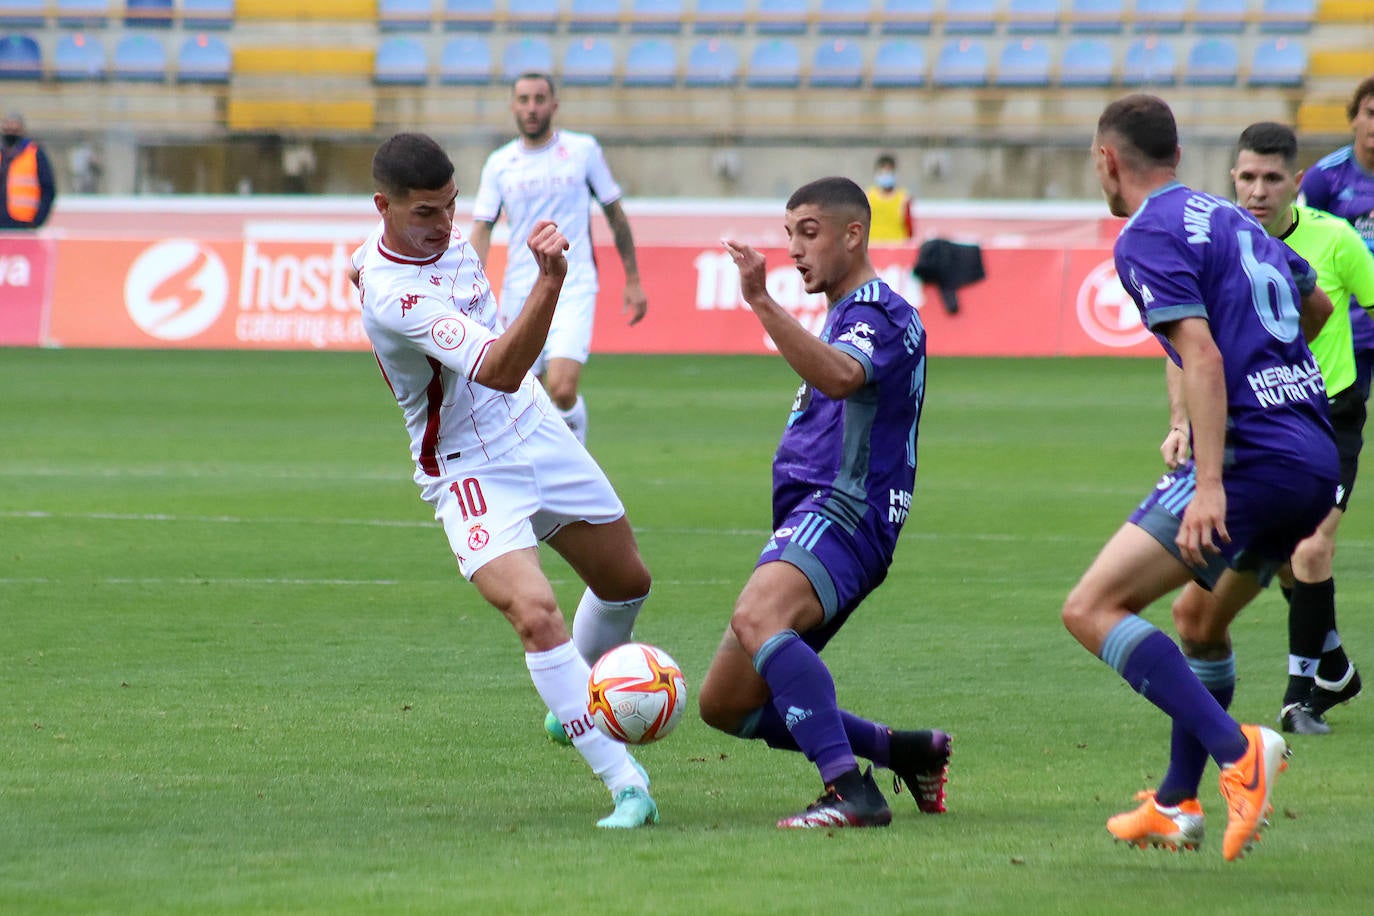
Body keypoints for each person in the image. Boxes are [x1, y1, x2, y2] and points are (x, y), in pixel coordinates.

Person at [351, 132, 658, 829]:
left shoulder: (432, 246)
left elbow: (356, 265)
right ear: (384, 207)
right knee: (535, 613)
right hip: (467, 465)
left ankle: (571, 704)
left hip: (533, 429)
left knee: (627, 582)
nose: (445, 225)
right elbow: (498, 367)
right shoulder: (395, 297)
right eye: (426, 213)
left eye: (451, 207)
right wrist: (550, 281)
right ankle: (625, 782)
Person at [1063, 95, 1338, 862]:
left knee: (1091, 607)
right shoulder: (1233, 218)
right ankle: (1176, 803)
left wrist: (1209, 481)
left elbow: (1204, 356)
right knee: (1198, 623)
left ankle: (1237, 752)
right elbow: (1312, 306)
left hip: (1252, 461)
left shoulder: (1145, 232)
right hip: (1312, 459)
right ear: (1178, 155)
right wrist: (1275, 375)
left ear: (1108, 160)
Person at [697, 176, 951, 829]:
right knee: (727, 702)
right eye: (789, 235)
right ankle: (904, 752)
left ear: (853, 233)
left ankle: (850, 791)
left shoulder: (880, 313)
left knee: (758, 617)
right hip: (814, 518)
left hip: (847, 510)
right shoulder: (845, 313)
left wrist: (757, 299)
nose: (794, 249)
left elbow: (841, 376)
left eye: (808, 233)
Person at [1231, 121, 1374, 735]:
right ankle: (1335, 665)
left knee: (1312, 548)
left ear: (1296, 182)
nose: (1258, 190)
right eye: (1247, 178)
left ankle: (1301, 698)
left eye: (1271, 178)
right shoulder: (1221, 241)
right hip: (1262, 416)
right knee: (1282, 555)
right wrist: (1183, 421)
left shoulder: (1336, 240)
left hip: (1331, 414)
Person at [468, 72, 648, 446]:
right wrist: (469, 285)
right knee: (516, 391)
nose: (531, 108)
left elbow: (615, 213)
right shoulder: (499, 164)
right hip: (521, 290)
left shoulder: (583, 151)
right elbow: (482, 228)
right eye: (524, 100)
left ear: (554, 105)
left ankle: (577, 463)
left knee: (562, 388)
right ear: (513, 106)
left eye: (538, 99)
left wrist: (632, 279)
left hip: (574, 282)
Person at [0, 113, 56, 230]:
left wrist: (37, 220)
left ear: (22, 129)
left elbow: (48, 189)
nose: (10, 130)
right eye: (7, 126)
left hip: (23, 223)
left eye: (14, 127)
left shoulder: (35, 154)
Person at [865, 153, 915, 244]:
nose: (886, 175)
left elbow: (909, 228)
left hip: (897, 248)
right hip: (873, 247)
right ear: (877, 173)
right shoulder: (868, 197)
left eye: (889, 172)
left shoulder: (904, 198)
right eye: (883, 172)